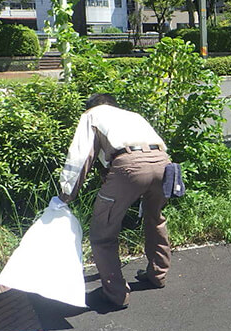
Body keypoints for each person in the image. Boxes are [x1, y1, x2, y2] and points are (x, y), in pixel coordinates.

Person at [52, 94, 171, 311]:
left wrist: (66, 195)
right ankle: (158, 275)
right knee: (155, 219)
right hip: (164, 164)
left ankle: (116, 295)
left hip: (130, 166)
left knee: (102, 233)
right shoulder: (132, 115)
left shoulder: (92, 115)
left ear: (91, 107)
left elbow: (81, 156)